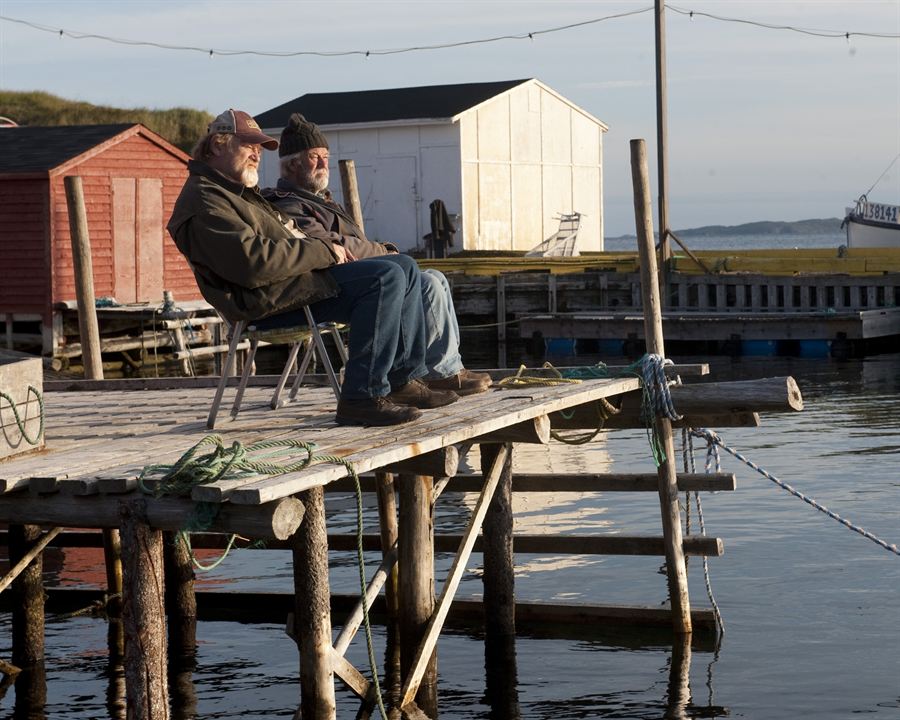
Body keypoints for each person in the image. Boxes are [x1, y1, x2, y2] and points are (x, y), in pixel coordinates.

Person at [166, 108, 460, 427]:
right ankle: (361, 397)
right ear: (219, 145)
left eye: (258, 149)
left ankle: (402, 380)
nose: (256, 154)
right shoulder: (204, 200)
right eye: (248, 146)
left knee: (402, 265)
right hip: (263, 300)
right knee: (384, 277)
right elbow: (253, 264)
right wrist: (325, 251)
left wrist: (325, 252)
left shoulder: (233, 193)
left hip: (292, 285)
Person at [261, 113, 491, 397]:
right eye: (315, 157)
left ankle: (446, 370)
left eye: (325, 156)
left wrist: (371, 250)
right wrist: (383, 251)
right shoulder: (288, 205)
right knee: (425, 283)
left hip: (357, 274)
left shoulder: (320, 202)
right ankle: (431, 375)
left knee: (435, 277)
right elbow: (329, 245)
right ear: (293, 163)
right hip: (330, 285)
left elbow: (352, 243)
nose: (324, 164)